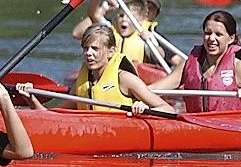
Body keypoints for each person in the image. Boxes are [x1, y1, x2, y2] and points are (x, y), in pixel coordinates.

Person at [21, 24, 173, 114]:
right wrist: (31, 99)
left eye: (95, 49)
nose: (89, 53)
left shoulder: (126, 79)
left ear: (111, 52)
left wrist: (144, 108)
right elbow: (52, 117)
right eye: (86, 48)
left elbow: (167, 109)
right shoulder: (81, 84)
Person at [150, 11, 241, 115]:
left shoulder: (240, 68)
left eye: (218, 34)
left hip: (232, 129)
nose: (211, 39)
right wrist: (137, 97)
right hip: (195, 127)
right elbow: (155, 89)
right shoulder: (187, 65)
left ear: (231, 38)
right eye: (207, 33)